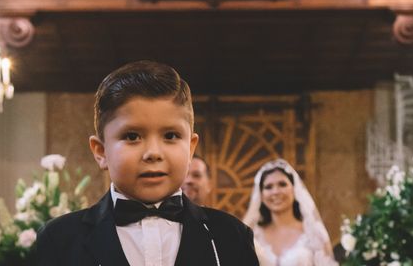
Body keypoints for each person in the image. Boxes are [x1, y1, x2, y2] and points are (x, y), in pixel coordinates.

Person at [36, 60, 259, 266]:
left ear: (191, 148)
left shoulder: (231, 235)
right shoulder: (60, 238)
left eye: (170, 136)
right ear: (101, 151)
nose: (153, 153)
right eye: (132, 136)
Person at [243, 159, 337, 266]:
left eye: (282, 184)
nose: (276, 192)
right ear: (261, 195)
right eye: (268, 187)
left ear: (294, 189)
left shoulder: (313, 233)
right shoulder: (253, 235)